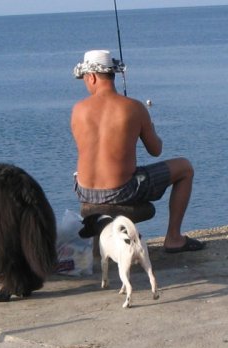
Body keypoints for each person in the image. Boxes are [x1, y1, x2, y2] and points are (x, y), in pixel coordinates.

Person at [71, 50, 204, 253]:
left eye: (84, 79)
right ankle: (174, 238)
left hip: (84, 191)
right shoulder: (133, 107)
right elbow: (156, 150)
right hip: (121, 191)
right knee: (185, 168)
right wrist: (147, 124)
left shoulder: (78, 109)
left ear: (92, 77)